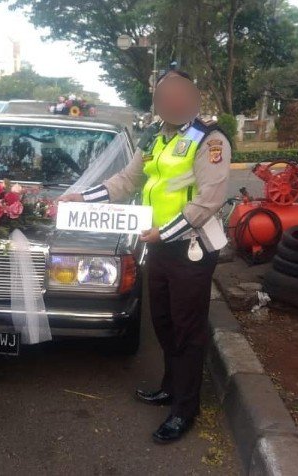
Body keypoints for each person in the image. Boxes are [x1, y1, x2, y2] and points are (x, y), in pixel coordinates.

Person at [61, 69, 231, 443]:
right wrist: (81, 198)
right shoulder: (155, 136)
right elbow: (126, 181)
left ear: (191, 98)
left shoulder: (209, 140)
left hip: (192, 248)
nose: (169, 101)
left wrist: (163, 233)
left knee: (188, 329)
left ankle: (186, 408)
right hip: (157, 246)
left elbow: (210, 200)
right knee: (164, 321)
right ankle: (171, 387)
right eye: (162, 95)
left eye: (177, 94)